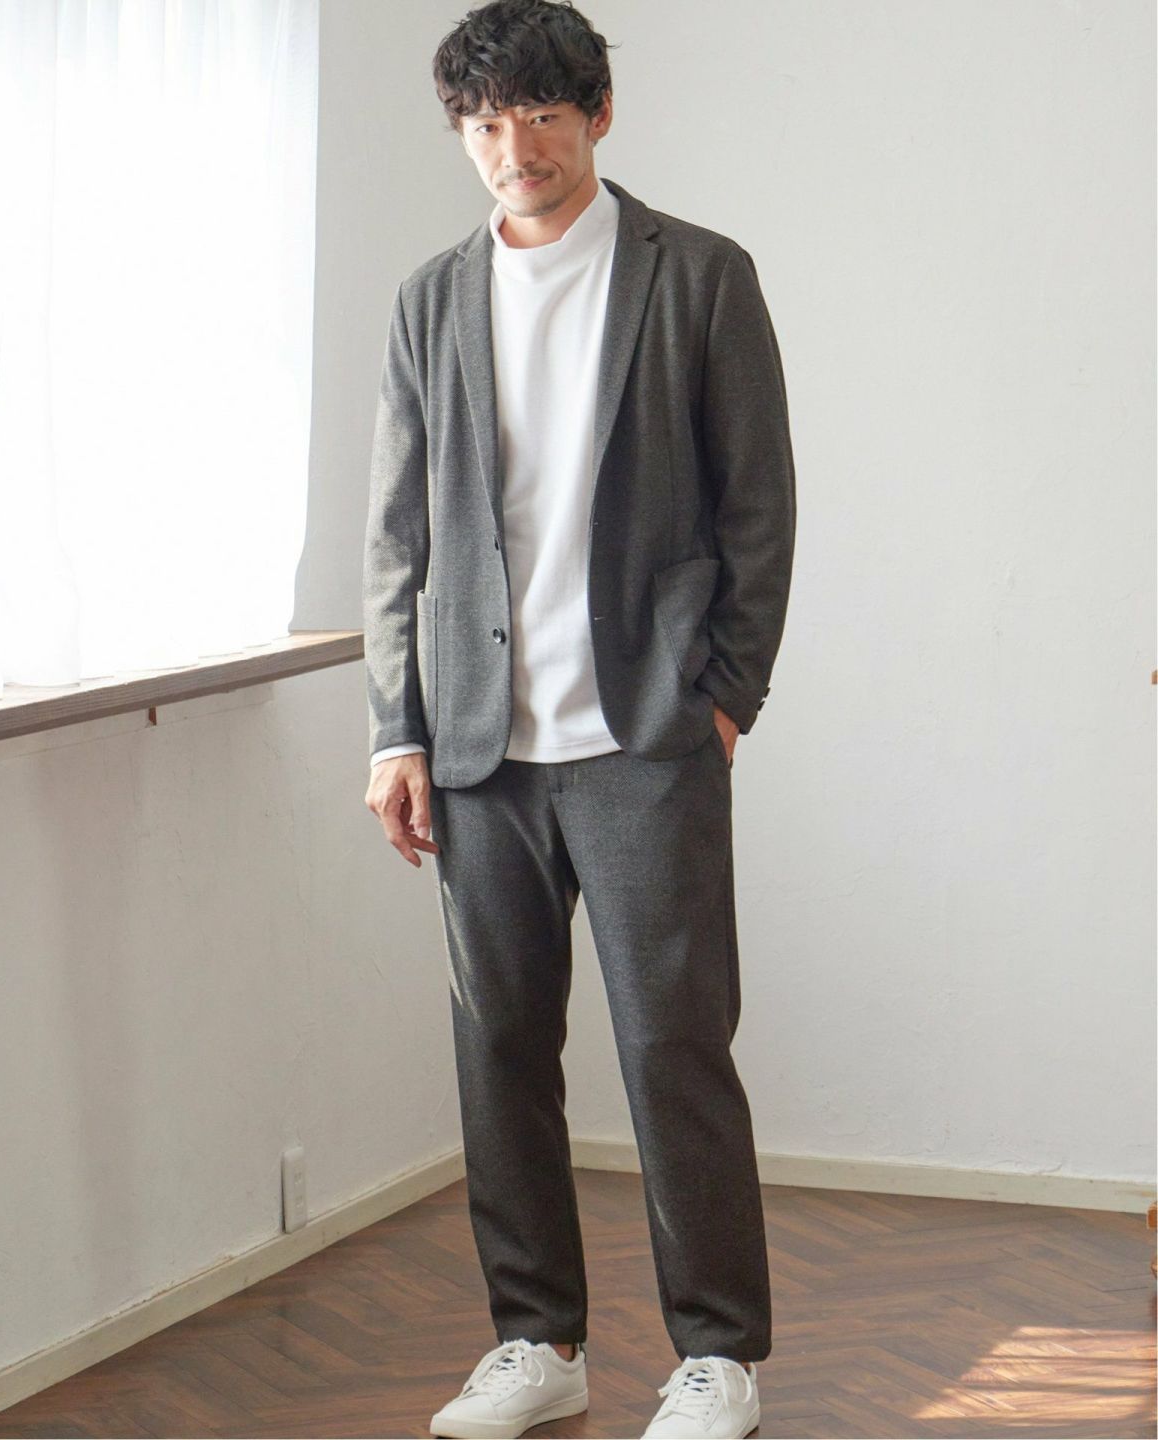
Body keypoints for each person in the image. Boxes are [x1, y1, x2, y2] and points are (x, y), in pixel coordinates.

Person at [362, 1, 796, 1434]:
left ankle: (718, 1354)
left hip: (643, 740)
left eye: (542, 114)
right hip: (478, 748)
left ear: (599, 113)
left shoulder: (699, 277)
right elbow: (399, 535)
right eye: (486, 123)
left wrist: (723, 697)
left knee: (675, 1044)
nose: (515, 148)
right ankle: (537, 1341)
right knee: (498, 1051)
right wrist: (397, 731)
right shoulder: (430, 301)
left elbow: (758, 505)